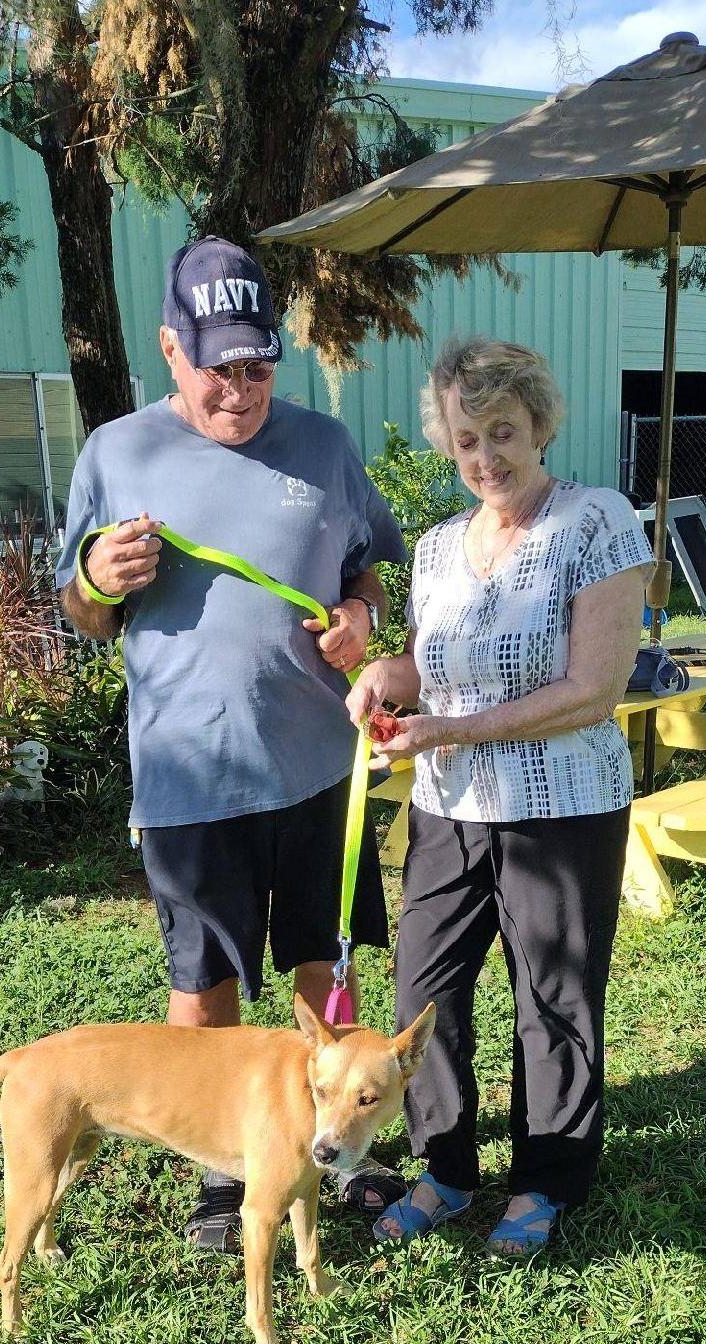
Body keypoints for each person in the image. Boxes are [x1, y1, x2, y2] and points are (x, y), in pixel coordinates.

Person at [55, 236, 409, 1252]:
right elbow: (77, 609)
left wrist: (361, 622)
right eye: (219, 368)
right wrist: (99, 582)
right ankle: (221, 1171)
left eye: (258, 367)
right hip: (188, 775)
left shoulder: (325, 445)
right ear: (171, 349)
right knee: (203, 986)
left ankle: (334, 1150)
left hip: (313, 768)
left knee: (319, 973)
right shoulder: (117, 454)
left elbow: (366, 577)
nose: (241, 391)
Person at [346, 335, 653, 1258]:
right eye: (468, 438)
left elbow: (593, 689)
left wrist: (448, 729)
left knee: (552, 995)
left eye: (505, 431)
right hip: (448, 806)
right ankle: (444, 1167)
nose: (488, 457)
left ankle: (546, 1179)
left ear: (541, 424)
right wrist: (384, 679)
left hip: (563, 807)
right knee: (423, 987)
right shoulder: (439, 547)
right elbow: (439, 665)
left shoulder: (597, 522)